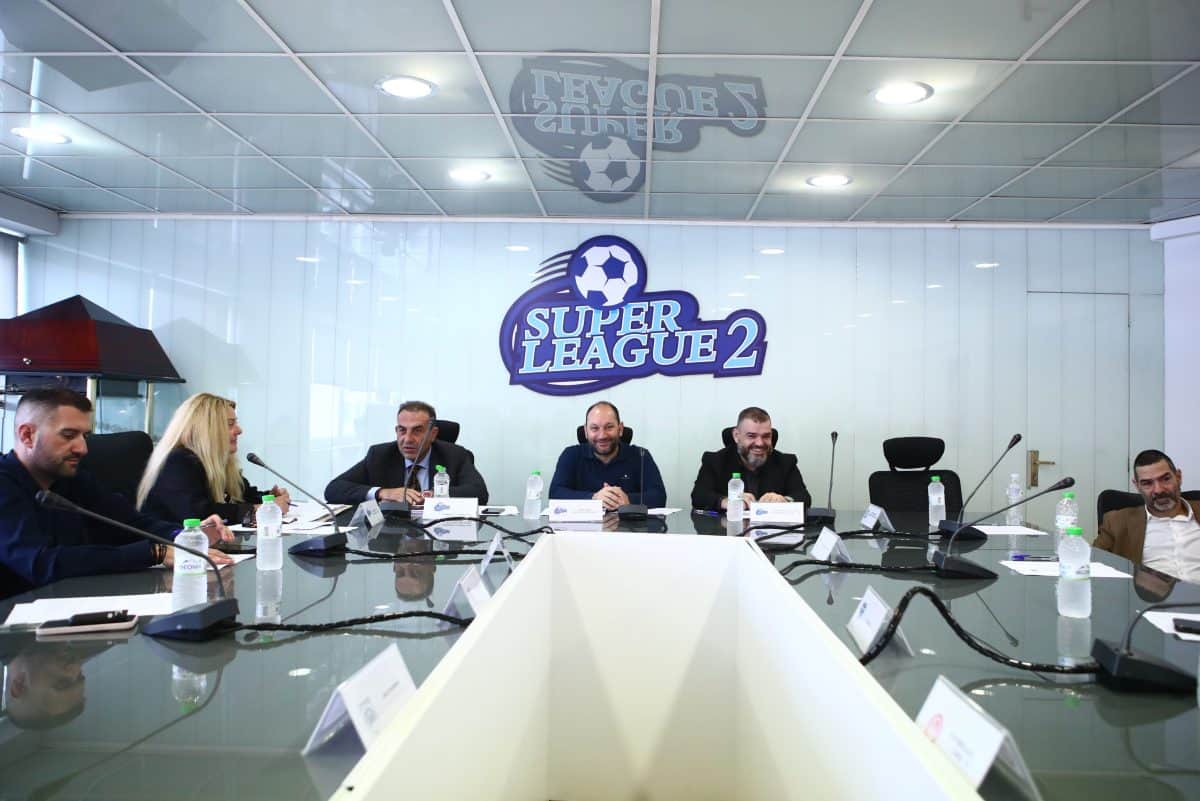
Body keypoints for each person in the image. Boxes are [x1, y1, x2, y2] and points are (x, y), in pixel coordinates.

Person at [0, 389, 232, 599]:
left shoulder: (72, 479)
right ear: (27, 435)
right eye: (69, 435)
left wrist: (184, 534)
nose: (83, 448)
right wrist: (154, 553)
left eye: (85, 436)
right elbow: (41, 563)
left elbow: (130, 523)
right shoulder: (5, 484)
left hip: (76, 603)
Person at [137, 392, 290, 526]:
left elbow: (244, 495)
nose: (239, 430)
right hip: (171, 547)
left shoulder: (219, 462)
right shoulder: (176, 462)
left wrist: (269, 499)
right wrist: (257, 510)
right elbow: (198, 514)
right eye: (230, 424)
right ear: (205, 430)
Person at [324, 401, 489, 505]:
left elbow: (479, 493)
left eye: (417, 430)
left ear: (433, 434)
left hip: (440, 536)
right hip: (390, 536)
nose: (408, 439)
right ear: (396, 431)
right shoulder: (380, 455)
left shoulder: (455, 455)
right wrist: (384, 492)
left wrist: (433, 495)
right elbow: (334, 489)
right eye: (402, 430)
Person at [1095, 449, 1200, 582]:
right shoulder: (1117, 522)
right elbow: (1092, 564)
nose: (1158, 490)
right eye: (1147, 483)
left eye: (1165, 479)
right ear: (1137, 485)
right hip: (1153, 594)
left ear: (1178, 477)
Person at [690, 406, 812, 512]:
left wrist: (785, 500)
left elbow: (804, 497)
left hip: (771, 530)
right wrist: (726, 501)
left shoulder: (785, 462)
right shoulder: (715, 461)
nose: (760, 443)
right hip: (728, 528)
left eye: (766, 436)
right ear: (736, 436)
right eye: (751, 436)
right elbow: (698, 496)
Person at [549, 401, 666, 510]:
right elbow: (555, 494)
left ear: (620, 429)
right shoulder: (571, 455)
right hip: (584, 525)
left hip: (630, 525)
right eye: (594, 428)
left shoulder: (641, 456)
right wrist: (593, 498)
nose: (602, 435)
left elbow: (659, 496)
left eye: (609, 427)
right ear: (585, 431)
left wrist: (627, 499)